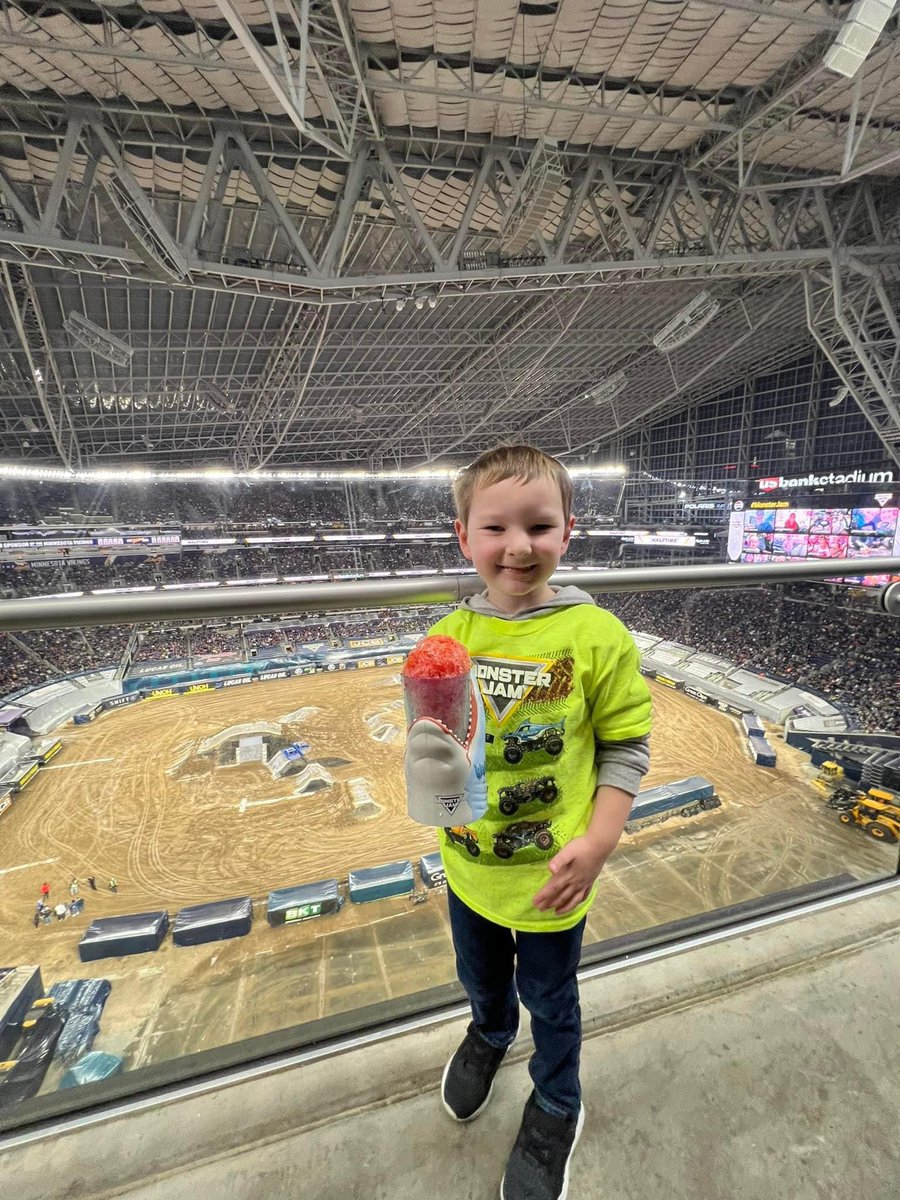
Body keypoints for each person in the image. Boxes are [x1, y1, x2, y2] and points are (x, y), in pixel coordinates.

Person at [429, 445, 652, 1200]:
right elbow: (439, 746)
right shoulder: (447, 636)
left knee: (553, 1001)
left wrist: (597, 842)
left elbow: (626, 743)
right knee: (479, 977)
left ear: (568, 532)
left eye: (539, 525)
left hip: (557, 881)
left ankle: (558, 1098)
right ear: (464, 537)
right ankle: (490, 1034)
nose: (517, 546)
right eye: (495, 527)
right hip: (468, 870)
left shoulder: (597, 636)